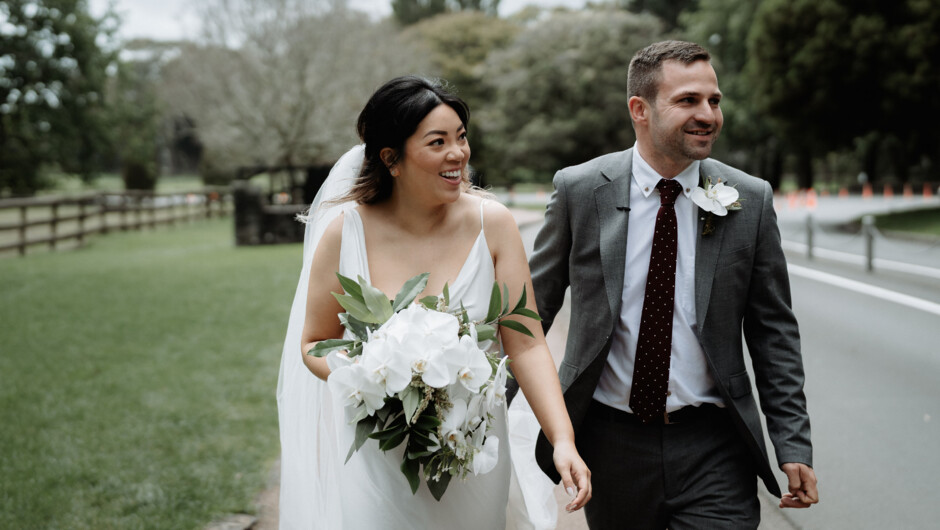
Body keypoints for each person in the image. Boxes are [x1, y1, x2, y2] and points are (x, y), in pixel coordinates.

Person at [276, 75, 590, 529]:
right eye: (437, 142)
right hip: (379, 455)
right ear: (391, 159)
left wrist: (562, 439)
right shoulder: (346, 235)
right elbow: (314, 343)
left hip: (473, 452)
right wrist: (372, 377)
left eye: (461, 137)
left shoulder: (493, 225)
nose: (458, 154)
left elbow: (525, 344)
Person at [529, 40, 819, 529]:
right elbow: (531, 314)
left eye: (715, 100)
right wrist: (480, 413)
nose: (708, 114)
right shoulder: (579, 190)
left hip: (714, 445)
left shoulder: (749, 199)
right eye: (688, 101)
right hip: (610, 443)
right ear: (639, 110)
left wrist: (792, 441)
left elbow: (774, 333)